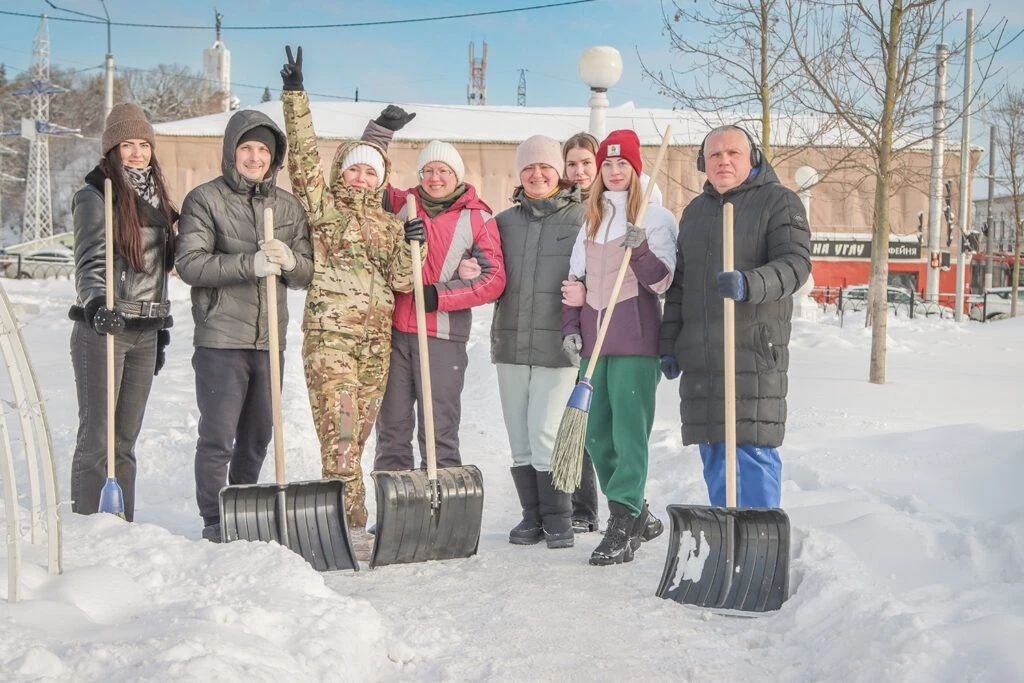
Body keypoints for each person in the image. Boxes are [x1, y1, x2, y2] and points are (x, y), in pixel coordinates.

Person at [279, 46, 424, 557]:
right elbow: (302, 157)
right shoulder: (323, 210)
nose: (361, 178)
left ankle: (341, 520)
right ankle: (352, 527)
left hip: (374, 348)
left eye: (370, 172)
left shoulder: (389, 224)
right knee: (340, 438)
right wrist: (295, 96)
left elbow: (404, 282)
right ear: (341, 172)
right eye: (354, 170)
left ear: (380, 178)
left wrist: (414, 243)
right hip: (332, 343)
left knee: (354, 440)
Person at [175, 108, 313, 542]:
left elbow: (307, 272)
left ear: (274, 157)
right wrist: (248, 264)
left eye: (263, 151)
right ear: (232, 151)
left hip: (269, 341)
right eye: (247, 148)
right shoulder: (205, 200)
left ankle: (242, 508)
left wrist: (291, 262)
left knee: (256, 437)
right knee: (219, 437)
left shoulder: (288, 206)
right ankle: (215, 519)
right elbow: (190, 263)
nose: (255, 157)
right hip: (221, 338)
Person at [659, 125, 811, 509]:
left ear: (752, 158)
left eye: (733, 153)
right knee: (714, 450)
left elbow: (795, 265)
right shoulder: (695, 213)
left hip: (753, 351)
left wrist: (749, 283)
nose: (723, 161)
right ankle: (727, 535)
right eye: (715, 154)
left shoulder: (780, 202)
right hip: (703, 358)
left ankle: (758, 536)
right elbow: (679, 287)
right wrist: (670, 344)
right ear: (703, 163)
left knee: (751, 448)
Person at [361, 122, 506, 474]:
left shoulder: (478, 218)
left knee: (439, 429)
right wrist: (378, 134)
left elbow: (493, 280)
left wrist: (438, 296)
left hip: (442, 338)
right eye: (428, 170)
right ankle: (396, 500)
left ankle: (441, 500)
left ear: (456, 175)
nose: (435, 178)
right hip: (394, 335)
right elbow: (364, 173)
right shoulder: (401, 204)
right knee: (392, 430)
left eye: (443, 171)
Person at [562, 129, 677, 566]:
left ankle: (623, 518)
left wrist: (641, 247)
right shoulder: (591, 218)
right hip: (594, 341)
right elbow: (574, 282)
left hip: (635, 339)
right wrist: (570, 326)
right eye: (607, 164)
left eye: (621, 164)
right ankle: (637, 512)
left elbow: (663, 282)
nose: (613, 171)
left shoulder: (657, 217)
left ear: (635, 168)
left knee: (629, 434)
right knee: (595, 433)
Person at [68, 102, 177, 522]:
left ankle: (121, 525)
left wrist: (160, 326)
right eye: (127, 145)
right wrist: (97, 304)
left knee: (125, 441)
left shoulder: (159, 200)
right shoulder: (95, 195)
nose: (137, 153)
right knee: (98, 438)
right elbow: (90, 262)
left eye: (143, 145)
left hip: (145, 331)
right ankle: (87, 524)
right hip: (105, 329)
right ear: (112, 149)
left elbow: (158, 271)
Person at [491, 135, 584, 549]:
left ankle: (559, 518)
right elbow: (487, 271)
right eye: (528, 167)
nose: (537, 174)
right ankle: (531, 516)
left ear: (559, 172)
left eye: (545, 166)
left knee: (545, 432)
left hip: (559, 345)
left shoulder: (582, 218)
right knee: (520, 438)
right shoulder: (503, 223)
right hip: (511, 341)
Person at [560, 131, 602, 533]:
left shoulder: (612, 205)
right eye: (571, 163)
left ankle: (621, 505)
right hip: (568, 318)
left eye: (586, 163)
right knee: (574, 414)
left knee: (597, 420)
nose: (579, 171)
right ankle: (577, 505)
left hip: (604, 323)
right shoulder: (559, 204)